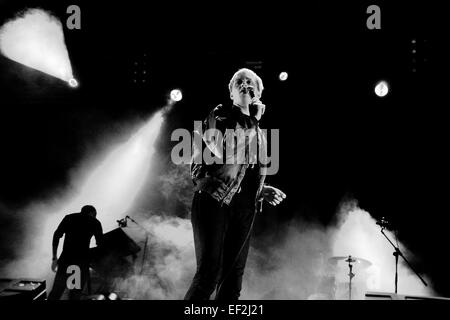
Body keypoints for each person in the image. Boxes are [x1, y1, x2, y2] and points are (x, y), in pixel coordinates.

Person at [184, 68, 286, 300]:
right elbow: (226, 152)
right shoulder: (218, 116)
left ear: (258, 93)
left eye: (250, 82)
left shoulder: (258, 132)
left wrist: (261, 190)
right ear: (231, 93)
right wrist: (253, 120)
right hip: (213, 200)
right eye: (239, 82)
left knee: (232, 281)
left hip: (245, 208)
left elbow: (246, 170)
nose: (244, 84)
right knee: (209, 274)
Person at [47, 205, 103, 300]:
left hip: (66, 260)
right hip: (79, 263)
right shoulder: (95, 222)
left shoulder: (69, 217)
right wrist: (90, 254)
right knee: (74, 294)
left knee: (56, 291)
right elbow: (101, 244)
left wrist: (54, 257)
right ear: (92, 213)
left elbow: (56, 235)